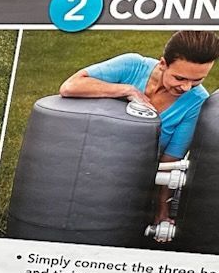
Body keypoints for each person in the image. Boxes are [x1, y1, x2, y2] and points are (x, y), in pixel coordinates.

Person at [59, 29, 216, 242]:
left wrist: (161, 212)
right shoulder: (132, 65)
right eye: (180, 77)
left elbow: (171, 160)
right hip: (90, 162)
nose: (186, 87)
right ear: (163, 64)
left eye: (197, 80)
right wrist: (126, 91)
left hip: (138, 179)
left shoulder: (196, 101)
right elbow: (69, 87)